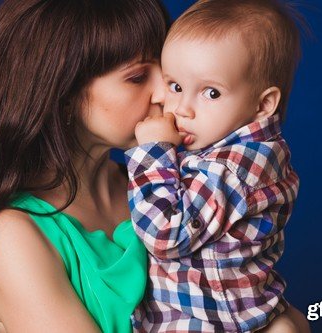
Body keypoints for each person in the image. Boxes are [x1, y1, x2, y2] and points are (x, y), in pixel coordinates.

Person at [0, 0, 170, 332]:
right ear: (63, 95)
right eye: (138, 76)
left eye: (166, 68)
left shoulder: (161, 183)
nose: (166, 92)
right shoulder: (12, 235)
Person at [125, 0, 310, 332]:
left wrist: (154, 150)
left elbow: (166, 234)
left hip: (212, 322)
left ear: (263, 104)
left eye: (211, 93)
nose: (183, 108)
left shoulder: (236, 166)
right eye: (176, 86)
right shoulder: (223, 147)